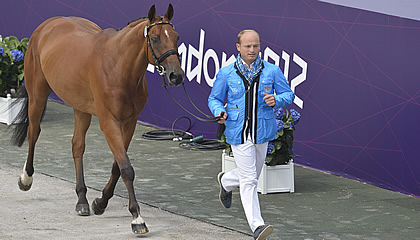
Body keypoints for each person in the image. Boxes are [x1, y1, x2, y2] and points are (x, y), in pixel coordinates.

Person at [208, 29, 295, 240]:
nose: (252, 50)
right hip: (238, 132)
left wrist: (278, 100)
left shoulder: (272, 71)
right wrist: (219, 111)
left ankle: (227, 181)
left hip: (262, 132)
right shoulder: (226, 73)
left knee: (253, 175)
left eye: (255, 46)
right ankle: (257, 226)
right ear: (238, 47)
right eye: (247, 46)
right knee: (249, 180)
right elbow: (214, 99)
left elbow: (289, 94)